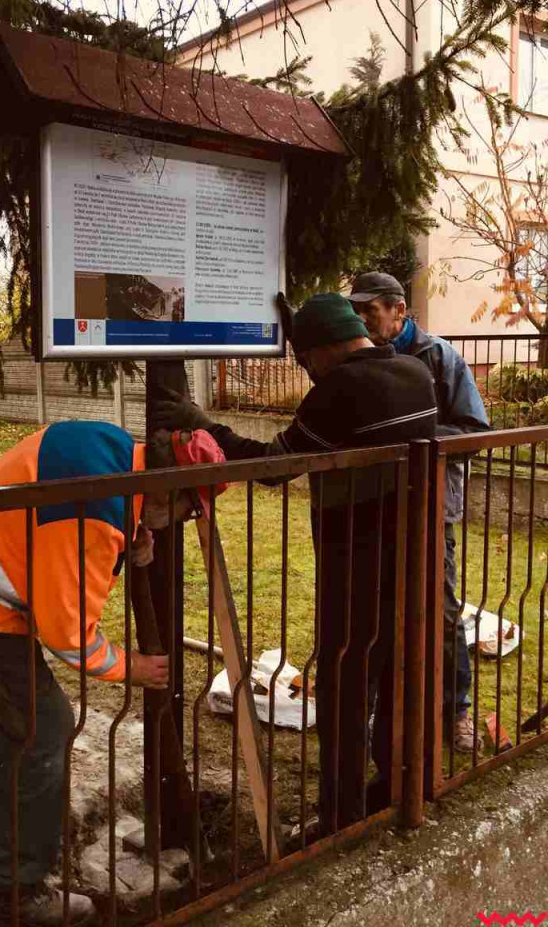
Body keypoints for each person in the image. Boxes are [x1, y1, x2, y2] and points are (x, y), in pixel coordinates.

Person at [0, 420, 226, 927]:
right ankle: (12, 894)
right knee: (45, 729)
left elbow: (65, 530)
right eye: (187, 509)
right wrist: (134, 668)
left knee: (7, 704)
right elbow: (66, 636)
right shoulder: (92, 518)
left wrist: (130, 531)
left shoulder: (114, 453)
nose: (179, 522)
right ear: (165, 492)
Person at [154, 293, 438, 835]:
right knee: (402, 663)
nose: (306, 373)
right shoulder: (414, 371)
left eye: (305, 361)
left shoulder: (340, 386)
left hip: (355, 550)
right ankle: (406, 782)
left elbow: (277, 466)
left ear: (323, 349)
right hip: (414, 547)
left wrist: (203, 425)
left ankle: (340, 812)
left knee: (343, 674)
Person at [348, 271, 490, 752]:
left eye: (370, 312)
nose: (361, 321)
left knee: (442, 609)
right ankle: (377, 713)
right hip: (373, 503)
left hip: (429, 504)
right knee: (374, 610)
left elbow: (474, 429)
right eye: (356, 312)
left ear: (399, 311)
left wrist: (414, 446)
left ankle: (457, 711)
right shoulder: (360, 357)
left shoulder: (440, 357)